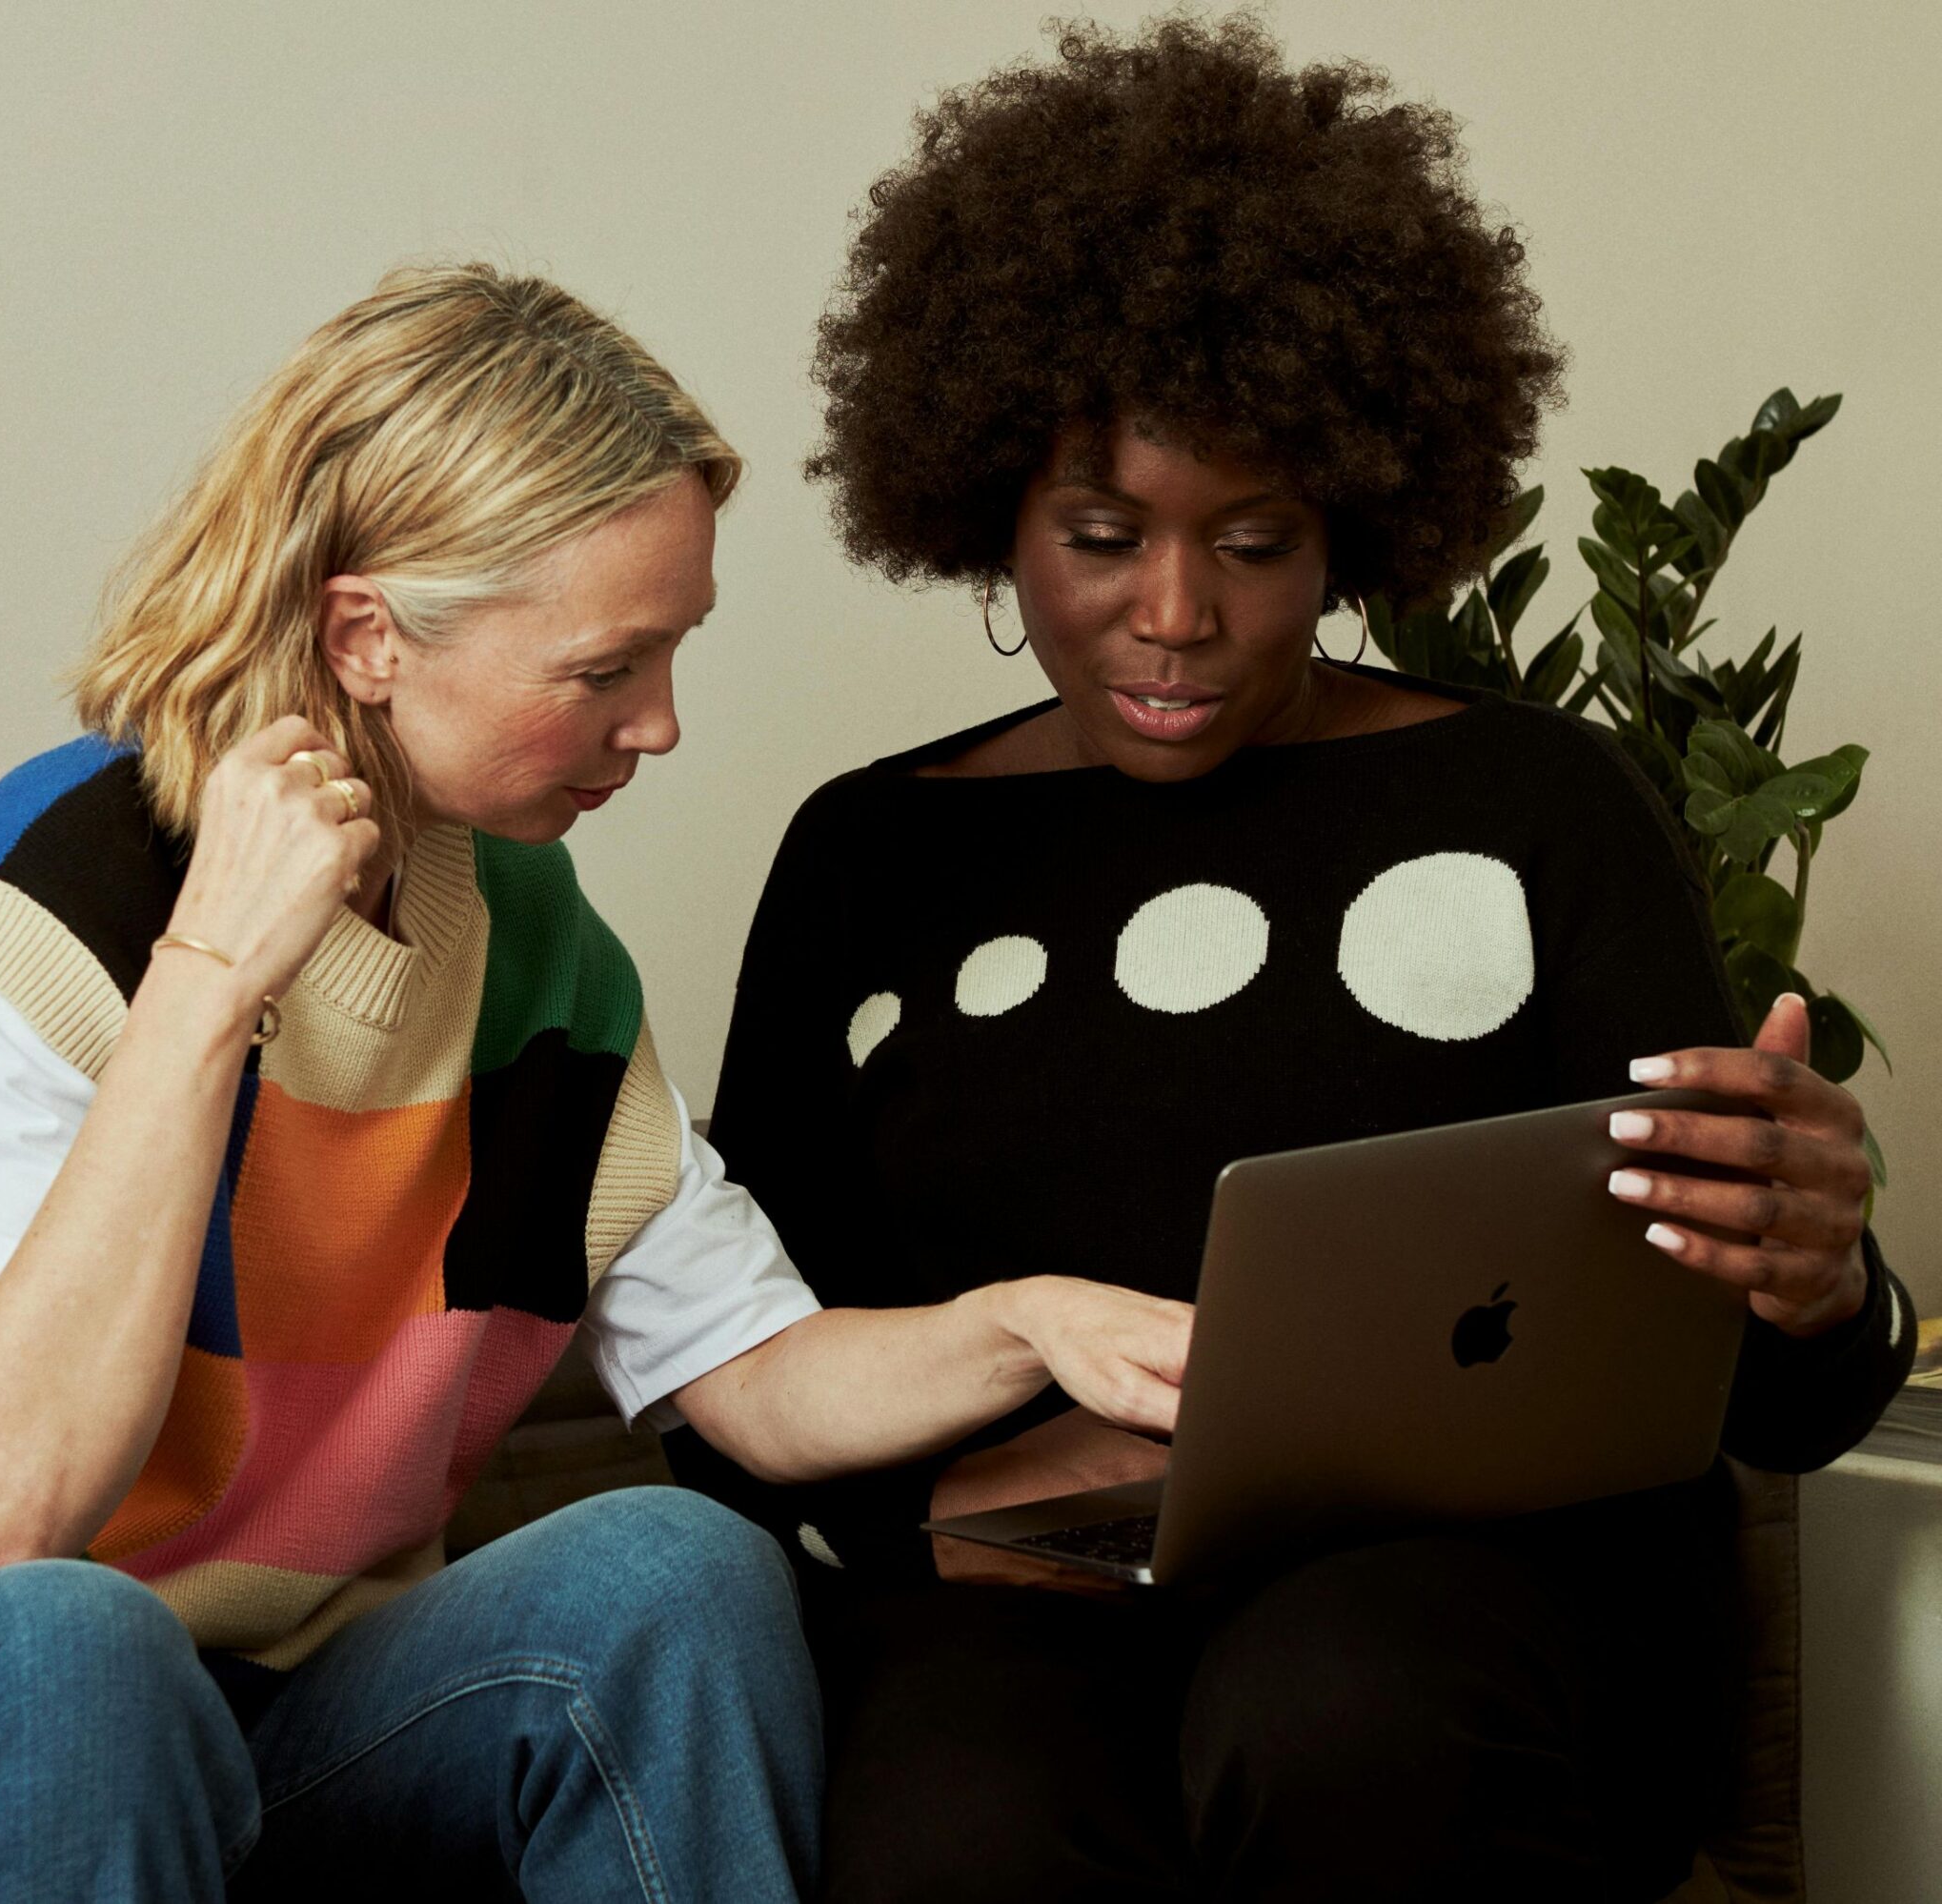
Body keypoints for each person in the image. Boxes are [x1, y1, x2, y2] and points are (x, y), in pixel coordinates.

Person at [0, 264, 1196, 1902]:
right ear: (366, 635)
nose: (663, 726)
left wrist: (1029, 1321)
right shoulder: (48, 905)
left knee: (673, 1562)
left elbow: (757, 1377)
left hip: (258, 1720)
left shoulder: (533, 941)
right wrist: (209, 992)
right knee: (75, 1646)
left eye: (675, 653)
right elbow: (6, 1516)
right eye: (604, 669)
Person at [663, 20, 1915, 1903]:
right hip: (1018, 1613)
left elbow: (1771, 1400)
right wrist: (933, 1514)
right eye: (1099, 538)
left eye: (1249, 544)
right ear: (987, 511)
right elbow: (729, 1382)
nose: (1170, 617)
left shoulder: (1531, 805)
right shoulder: (870, 860)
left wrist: (1818, 1284)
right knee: (952, 1833)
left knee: (1341, 1714)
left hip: (1479, 1609)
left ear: (1347, 520)